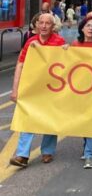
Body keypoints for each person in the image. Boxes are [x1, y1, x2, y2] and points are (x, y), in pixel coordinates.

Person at [9, 13, 67, 167]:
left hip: (52, 89)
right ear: (36, 25)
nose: (43, 26)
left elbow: (66, 65)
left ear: (53, 26)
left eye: (47, 23)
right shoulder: (30, 42)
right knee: (27, 118)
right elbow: (20, 65)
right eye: (41, 23)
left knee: (50, 118)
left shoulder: (59, 41)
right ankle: (22, 155)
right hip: (32, 89)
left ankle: (48, 151)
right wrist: (15, 89)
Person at [68, 15, 92, 169]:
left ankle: (89, 155)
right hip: (80, 89)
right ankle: (87, 148)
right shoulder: (76, 44)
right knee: (84, 120)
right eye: (88, 26)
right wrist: (65, 51)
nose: (91, 28)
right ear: (82, 28)